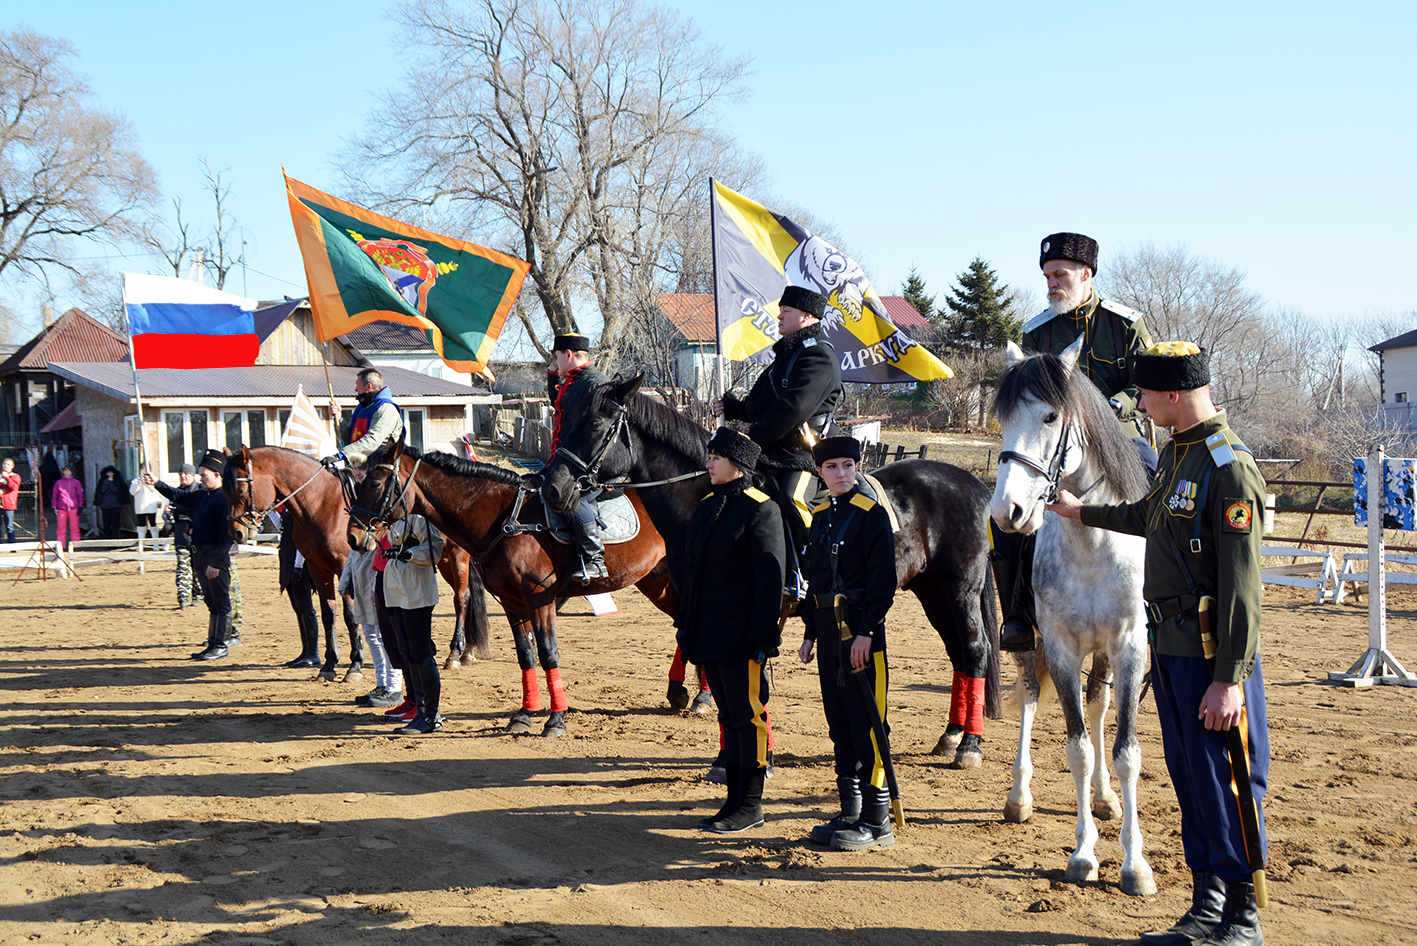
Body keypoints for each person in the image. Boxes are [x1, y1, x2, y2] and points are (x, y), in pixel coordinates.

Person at [1047, 342, 1269, 946]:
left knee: (1227, 784)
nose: (1139, 404)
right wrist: (1081, 513)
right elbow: (1147, 516)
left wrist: (1229, 678)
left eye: (1145, 394)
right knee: (1190, 777)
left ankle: (1242, 918)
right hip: (1169, 649)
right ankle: (1206, 907)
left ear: (1173, 395)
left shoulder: (1228, 467)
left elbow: (1243, 588)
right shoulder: (1178, 456)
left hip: (1211, 658)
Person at [995, 231, 1157, 653]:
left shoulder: (1125, 324)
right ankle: (1017, 613)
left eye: (1060, 275)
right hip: (1050, 445)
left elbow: (1147, 385)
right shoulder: (1038, 332)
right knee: (1006, 507)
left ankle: (1166, 607)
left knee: (1166, 493)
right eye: (1047, 276)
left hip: (1120, 441)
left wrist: (1105, 410)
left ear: (1087, 274)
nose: (1052, 284)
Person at [675, 427, 786, 834]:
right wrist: (686, 626)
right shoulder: (707, 505)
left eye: (715, 458)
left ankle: (751, 805)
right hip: (709, 633)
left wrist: (762, 637)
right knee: (729, 716)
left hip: (743, 637)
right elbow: (693, 574)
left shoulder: (762, 509)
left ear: (736, 465)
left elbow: (769, 581)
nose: (708, 464)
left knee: (749, 717)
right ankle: (734, 801)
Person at [798, 435, 899, 851]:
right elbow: (815, 580)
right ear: (820, 473)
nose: (841, 474)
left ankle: (877, 821)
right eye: (832, 468)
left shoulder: (870, 514)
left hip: (860, 635)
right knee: (839, 723)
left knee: (868, 724)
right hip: (827, 634)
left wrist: (866, 632)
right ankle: (850, 810)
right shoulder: (821, 514)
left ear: (857, 468)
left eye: (848, 466)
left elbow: (883, 583)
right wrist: (808, 633)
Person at [713, 285, 843, 569]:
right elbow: (760, 405)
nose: (779, 317)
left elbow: (791, 410)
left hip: (806, 454)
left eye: (786, 311)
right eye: (781, 311)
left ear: (808, 317)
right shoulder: (787, 355)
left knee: (791, 498)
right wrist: (734, 407)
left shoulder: (818, 356)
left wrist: (749, 442)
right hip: (774, 450)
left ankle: (819, 568)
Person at [146, 450, 238, 661]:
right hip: (200, 556)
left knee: (221, 602)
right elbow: (179, 496)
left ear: (218, 475)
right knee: (211, 602)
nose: (200, 479)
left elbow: (227, 536)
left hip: (214, 557)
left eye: (204, 476)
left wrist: (216, 562)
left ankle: (221, 645)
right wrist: (157, 483)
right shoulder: (202, 495)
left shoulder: (224, 499)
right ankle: (213, 643)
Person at [545, 332, 610, 583]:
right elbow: (560, 401)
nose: (556, 363)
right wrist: (553, 373)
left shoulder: (595, 384)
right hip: (568, 462)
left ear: (569, 354)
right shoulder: (577, 381)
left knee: (570, 499)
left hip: (592, 468)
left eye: (557, 357)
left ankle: (595, 559)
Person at [380, 513, 446, 734]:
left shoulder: (419, 519)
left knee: (421, 652)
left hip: (417, 590)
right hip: (397, 589)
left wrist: (408, 553)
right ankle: (420, 711)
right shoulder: (393, 520)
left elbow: (434, 549)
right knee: (407, 651)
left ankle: (431, 716)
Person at [326, 368, 405, 468]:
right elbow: (348, 439)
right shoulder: (362, 408)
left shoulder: (386, 409)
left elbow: (372, 441)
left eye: (357, 385)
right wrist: (339, 417)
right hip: (357, 466)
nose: (355, 389)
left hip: (377, 471)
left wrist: (341, 455)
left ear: (368, 386)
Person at [277, 509, 323, 669]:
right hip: (288, 561)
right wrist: (269, 512)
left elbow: (303, 539)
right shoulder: (289, 511)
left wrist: (298, 565)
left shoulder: (299, 511)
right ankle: (306, 651)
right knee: (299, 608)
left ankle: (313, 653)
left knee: (306, 608)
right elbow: (282, 528)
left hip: (299, 565)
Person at [167, 463, 204, 610]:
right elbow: (171, 516)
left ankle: (198, 594)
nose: (183, 477)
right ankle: (183, 597)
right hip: (181, 535)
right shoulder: (177, 493)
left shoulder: (200, 490)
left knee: (198, 567)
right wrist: (169, 513)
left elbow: (202, 512)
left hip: (197, 536)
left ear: (193, 476)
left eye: (186, 474)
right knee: (183, 567)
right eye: (181, 474)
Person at [129, 466, 167, 544]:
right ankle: (141, 544)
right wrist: (139, 484)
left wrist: (148, 483)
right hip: (140, 506)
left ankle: (155, 543)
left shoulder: (153, 480)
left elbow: (156, 491)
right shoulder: (135, 481)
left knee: (153, 524)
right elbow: (132, 492)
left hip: (151, 505)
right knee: (141, 525)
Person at [51, 466, 84, 551]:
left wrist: (80, 506)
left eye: (67, 471)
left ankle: (76, 545)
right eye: (64, 471)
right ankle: (61, 546)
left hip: (74, 508)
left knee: (75, 527)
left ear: (71, 472)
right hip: (61, 508)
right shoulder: (58, 483)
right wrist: (54, 506)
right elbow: (54, 495)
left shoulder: (76, 482)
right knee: (61, 528)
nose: (65, 472)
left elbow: (80, 495)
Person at [93, 466, 126, 540]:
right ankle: (107, 541)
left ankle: (115, 540)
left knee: (115, 524)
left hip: (116, 505)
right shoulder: (103, 481)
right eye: (108, 473)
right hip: (105, 506)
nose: (110, 474)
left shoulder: (118, 481)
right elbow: (101, 490)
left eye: (111, 473)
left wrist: (110, 483)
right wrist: (107, 481)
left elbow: (116, 490)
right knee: (106, 525)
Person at [2, 457, 23, 542]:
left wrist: (7, 477)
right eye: (4, 464)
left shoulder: (15, 476)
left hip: (8, 504)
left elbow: (13, 487)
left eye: (8, 464)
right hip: (0, 504)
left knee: (9, 526)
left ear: (12, 466)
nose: (6, 466)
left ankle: (12, 545)